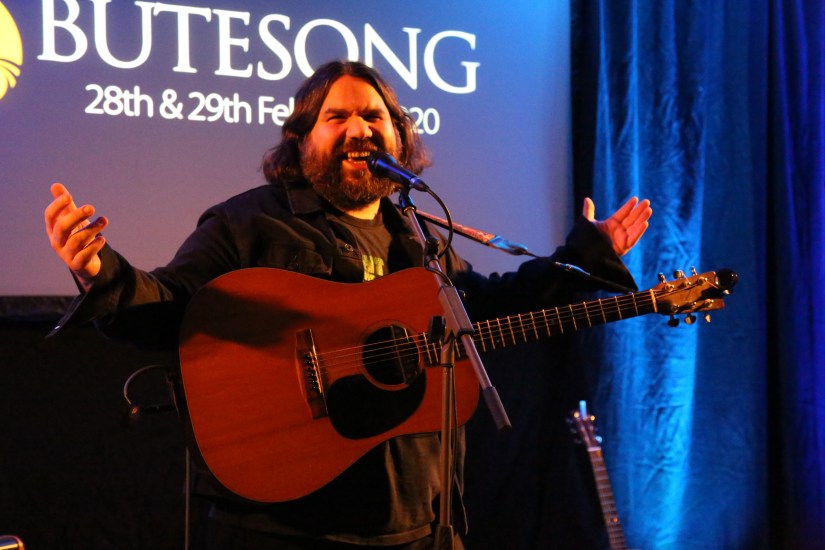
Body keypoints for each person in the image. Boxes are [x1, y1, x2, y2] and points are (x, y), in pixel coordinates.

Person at [44, 60, 651, 549]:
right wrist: (98, 270)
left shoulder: (418, 238)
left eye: (374, 116)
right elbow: (169, 310)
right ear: (301, 138)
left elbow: (486, 308)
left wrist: (586, 255)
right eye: (337, 116)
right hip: (285, 524)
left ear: (399, 137)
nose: (359, 129)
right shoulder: (248, 223)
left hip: (417, 520)